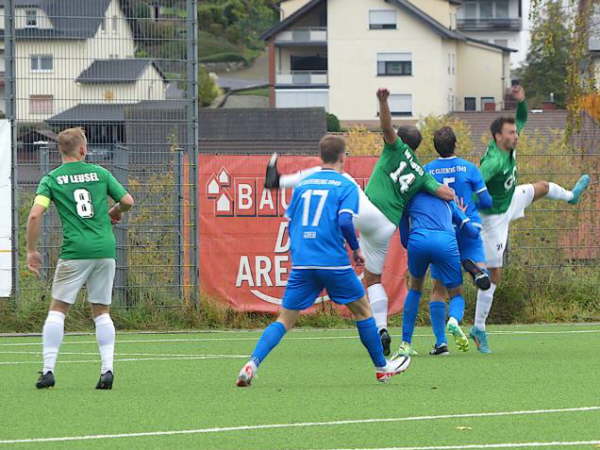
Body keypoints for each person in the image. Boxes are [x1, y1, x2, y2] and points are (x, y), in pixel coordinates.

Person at [263, 88, 454, 355]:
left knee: (334, 176)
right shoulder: (421, 173)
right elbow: (445, 193)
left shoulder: (395, 146)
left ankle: (278, 181)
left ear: (400, 139)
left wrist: (383, 101)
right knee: (373, 279)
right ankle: (381, 329)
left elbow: (386, 126)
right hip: (386, 226)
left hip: (371, 211)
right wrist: (455, 194)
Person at [236, 135, 411, 387]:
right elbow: (343, 221)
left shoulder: (304, 185)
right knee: (363, 311)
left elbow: (292, 222)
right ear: (343, 157)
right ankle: (382, 368)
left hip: (304, 262)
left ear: (321, 156)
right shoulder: (346, 185)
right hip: (333, 262)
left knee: (284, 319)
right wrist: (355, 248)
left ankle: (252, 363)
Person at [471, 85, 590, 353]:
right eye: (511, 133)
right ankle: (479, 327)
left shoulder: (508, 142)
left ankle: (571, 196)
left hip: (512, 197)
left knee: (543, 186)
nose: (516, 135)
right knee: (494, 274)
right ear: (497, 137)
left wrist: (522, 101)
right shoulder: (493, 163)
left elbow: (522, 118)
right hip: (494, 219)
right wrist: (475, 204)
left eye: (515, 132)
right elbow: (475, 182)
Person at [26, 127, 134, 389]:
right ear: (83, 150)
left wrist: (31, 250)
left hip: (75, 252)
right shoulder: (100, 173)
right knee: (101, 311)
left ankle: (48, 370)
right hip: (105, 249)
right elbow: (128, 201)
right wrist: (115, 210)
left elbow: (34, 215)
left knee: (58, 309)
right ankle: (107, 370)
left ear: (60, 150)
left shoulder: (51, 179)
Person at [423, 126, 493, 352]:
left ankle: (440, 342)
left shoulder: (427, 171)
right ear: (455, 144)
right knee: (485, 278)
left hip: (443, 230)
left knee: (439, 289)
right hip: (469, 226)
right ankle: (474, 269)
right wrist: (473, 203)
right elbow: (487, 201)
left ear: (435, 147)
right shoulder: (470, 168)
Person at [395, 192, 480, 356]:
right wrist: (465, 215)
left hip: (418, 240)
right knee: (455, 294)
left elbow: (404, 239)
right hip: (446, 243)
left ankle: (406, 344)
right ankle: (453, 321)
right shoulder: (448, 201)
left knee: (415, 289)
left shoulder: (409, 199)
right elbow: (472, 232)